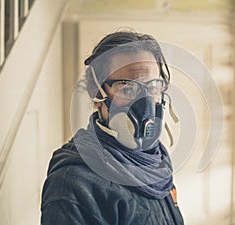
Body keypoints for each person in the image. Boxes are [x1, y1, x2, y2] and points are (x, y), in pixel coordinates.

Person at [41, 30, 184, 225]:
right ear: (97, 94)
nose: (145, 103)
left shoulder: (156, 163)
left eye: (152, 87)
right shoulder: (73, 184)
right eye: (127, 88)